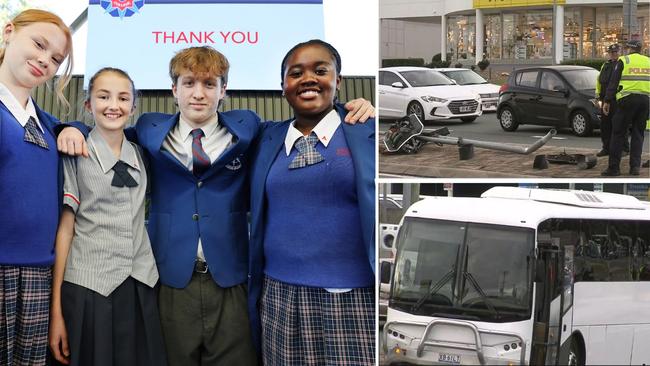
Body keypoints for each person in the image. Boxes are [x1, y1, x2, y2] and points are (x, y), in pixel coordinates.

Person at [56, 46, 373, 365]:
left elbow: (307, 120)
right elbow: (109, 127)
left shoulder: (248, 128)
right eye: (189, 83)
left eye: (209, 84)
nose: (198, 94)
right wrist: (72, 127)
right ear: (174, 90)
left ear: (223, 91)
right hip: (170, 279)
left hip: (231, 277)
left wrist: (350, 109)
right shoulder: (151, 130)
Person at [248, 40, 375, 365]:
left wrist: (367, 109)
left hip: (350, 299)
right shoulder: (267, 138)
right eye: (295, 73)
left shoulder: (368, 131)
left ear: (338, 81)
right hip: (278, 297)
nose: (308, 79)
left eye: (320, 70)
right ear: (282, 87)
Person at [48, 67, 166, 366]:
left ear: (133, 107)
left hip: (141, 284)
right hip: (90, 287)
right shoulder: (74, 153)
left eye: (123, 98)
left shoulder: (143, 155)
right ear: (88, 104)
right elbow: (65, 231)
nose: (114, 105)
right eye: (103, 97)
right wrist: (56, 311)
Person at [0, 9, 73, 366]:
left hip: (39, 274)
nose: (45, 60)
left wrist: (72, 127)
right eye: (39, 45)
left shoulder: (45, 123)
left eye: (56, 59)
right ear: (9, 31)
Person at [601, 39, 650, 176]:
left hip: (627, 100)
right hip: (645, 101)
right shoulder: (648, 61)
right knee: (638, 134)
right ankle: (635, 168)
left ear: (629, 48)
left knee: (618, 133)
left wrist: (607, 101)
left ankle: (614, 169)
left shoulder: (624, 60)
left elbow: (613, 82)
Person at [596, 43, 630, 157]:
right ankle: (606, 148)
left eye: (615, 52)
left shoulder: (622, 64)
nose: (613, 54)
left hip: (617, 100)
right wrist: (598, 96)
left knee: (619, 125)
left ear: (619, 52)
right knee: (605, 126)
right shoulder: (605, 65)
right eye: (611, 52)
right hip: (605, 99)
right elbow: (599, 82)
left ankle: (624, 148)